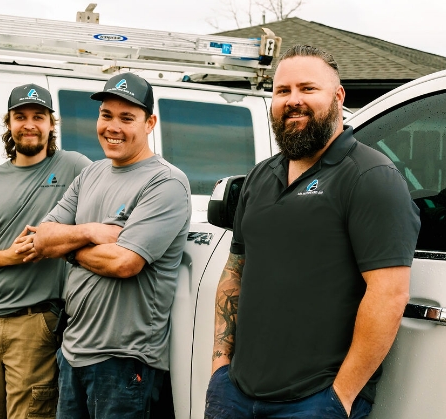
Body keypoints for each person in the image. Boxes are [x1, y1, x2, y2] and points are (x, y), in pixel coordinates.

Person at [205, 45, 421, 419]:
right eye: (282, 91)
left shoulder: (370, 177)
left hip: (314, 401)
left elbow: (389, 293)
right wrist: (220, 367)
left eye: (308, 89)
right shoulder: (260, 176)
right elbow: (235, 269)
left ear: (338, 96)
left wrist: (340, 397)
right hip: (235, 394)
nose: (293, 101)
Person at [32, 72, 192, 419]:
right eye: (106, 115)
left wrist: (68, 248)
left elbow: (124, 263)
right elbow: (41, 238)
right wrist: (90, 231)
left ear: (150, 123)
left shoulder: (165, 182)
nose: (112, 127)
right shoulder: (91, 174)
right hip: (72, 351)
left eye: (126, 118)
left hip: (124, 362)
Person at [0, 83, 91, 419]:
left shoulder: (73, 166)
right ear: (9, 123)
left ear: (51, 124)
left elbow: (110, 198)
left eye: (38, 116)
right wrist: (8, 256)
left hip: (34, 323)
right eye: (20, 116)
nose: (29, 124)